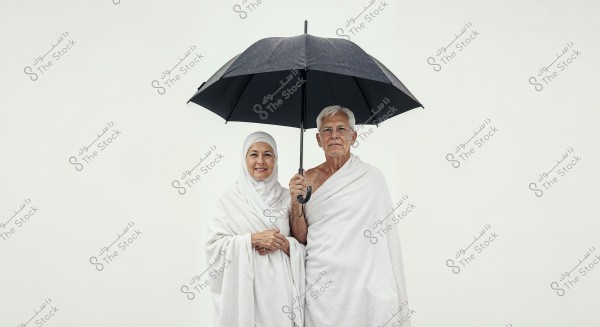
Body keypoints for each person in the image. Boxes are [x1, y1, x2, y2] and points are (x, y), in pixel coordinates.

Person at [289, 106, 411, 327]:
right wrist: (294, 202)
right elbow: (300, 238)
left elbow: (386, 241)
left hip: (364, 280)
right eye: (327, 130)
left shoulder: (371, 177)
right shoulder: (306, 179)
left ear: (353, 136)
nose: (334, 135)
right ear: (318, 139)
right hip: (320, 282)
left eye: (341, 129)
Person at [206, 131, 305, 327]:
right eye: (254, 154)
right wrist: (251, 239)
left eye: (267, 154)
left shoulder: (289, 197)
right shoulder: (229, 199)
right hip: (244, 290)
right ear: (244, 158)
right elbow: (213, 247)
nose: (261, 160)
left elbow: (304, 245)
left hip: (280, 293)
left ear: (275, 159)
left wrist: (286, 245)